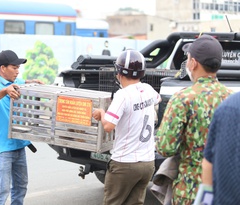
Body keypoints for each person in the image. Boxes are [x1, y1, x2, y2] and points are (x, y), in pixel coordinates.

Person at [155, 34, 233, 205]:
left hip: (189, 191)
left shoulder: (183, 98)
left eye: (188, 57)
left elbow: (165, 148)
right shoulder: (232, 98)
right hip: (224, 189)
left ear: (194, 63)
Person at [92, 50, 161, 205]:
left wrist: (102, 113)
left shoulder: (122, 95)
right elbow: (158, 99)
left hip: (125, 163)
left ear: (119, 72)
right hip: (148, 163)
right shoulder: (149, 89)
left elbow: (108, 125)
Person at [0, 50, 43, 205]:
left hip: (19, 145)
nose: (17, 70)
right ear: (3, 68)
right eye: (14, 67)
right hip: (3, 148)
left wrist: (33, 82)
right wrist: (4, 91)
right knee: (3, 190)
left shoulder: (16, 82)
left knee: (20, 187)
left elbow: (23, 81)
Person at [201, 92, 240, 205]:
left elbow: (166, 148)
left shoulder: (229, 106)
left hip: (189, 183)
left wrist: (206, 202)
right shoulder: (226, 95)